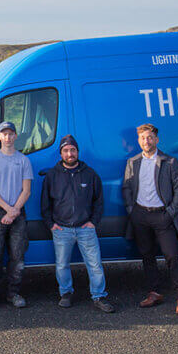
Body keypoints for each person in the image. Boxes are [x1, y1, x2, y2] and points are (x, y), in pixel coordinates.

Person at [40, 134, 115, 313]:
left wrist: (93, 222)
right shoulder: (52, 176)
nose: (70, 153)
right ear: (60, 154)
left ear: (78, 152)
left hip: (85, 229)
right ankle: (66, 293)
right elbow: (45, 204)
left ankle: (99, 296)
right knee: (62, 264)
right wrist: (51, 224)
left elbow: (99, 201)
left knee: (95, 264)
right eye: (66, 150)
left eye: (73, 150)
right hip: (61, 229)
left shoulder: (90, 174)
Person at [122, 123, 178, 317]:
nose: (147, 141)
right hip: (140, 216)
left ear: (157, 139)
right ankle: (155, 293)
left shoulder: (170, 162)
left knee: (172, 257)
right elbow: (126, 188)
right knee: (147, 256)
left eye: (150, 137)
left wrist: (170, 213)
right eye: (143, 138)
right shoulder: (132, 162)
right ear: (138, 141)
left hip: (162, 216)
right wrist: (131, 209)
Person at [0, 121, 33, 309]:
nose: (8, 137)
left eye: (11, 133)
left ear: (15, 137)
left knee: (18, 255)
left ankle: (14, 293)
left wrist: (14, 211)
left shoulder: (24, 160)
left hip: (18, 211)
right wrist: (7, 210)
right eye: (4, 134)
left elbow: (26, 190)